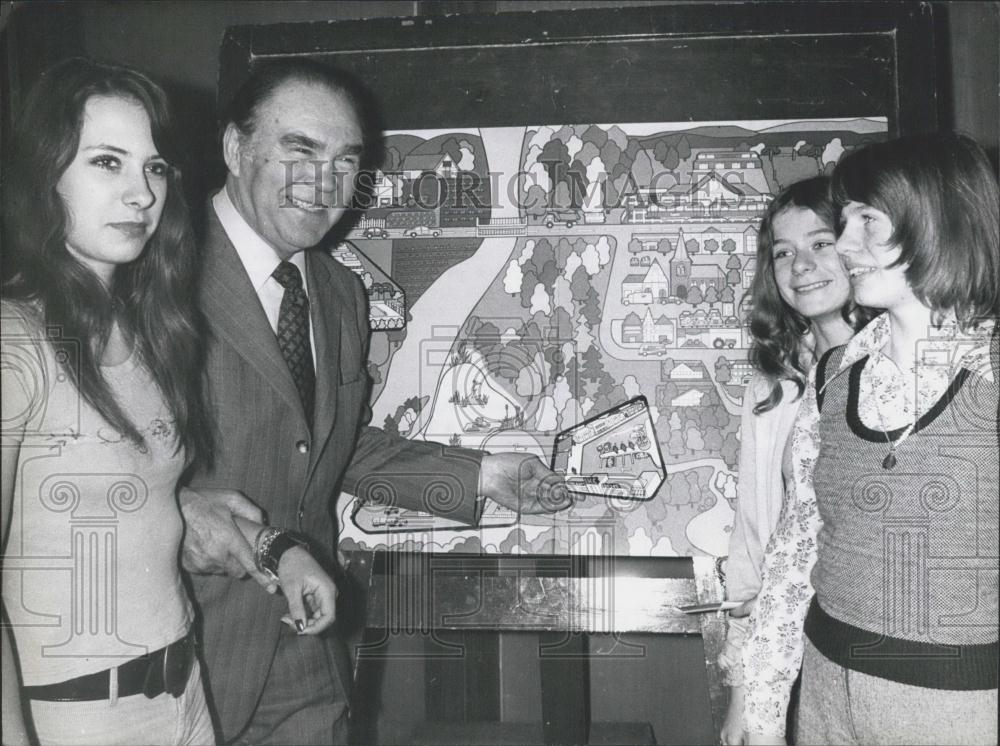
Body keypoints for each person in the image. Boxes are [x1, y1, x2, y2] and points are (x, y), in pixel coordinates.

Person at [178, 58, 572, 745]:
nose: (323, 183)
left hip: (308, 649)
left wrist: (485, 475)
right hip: (184, 652)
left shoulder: (337, 290)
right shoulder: (155, 270)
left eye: (344, 162)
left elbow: (331, 443)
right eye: (299, 150)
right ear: (235, 148)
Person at [742, 132, 998, 745]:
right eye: (845, 220)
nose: (847, 245)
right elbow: (798, 547)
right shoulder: (836, 377)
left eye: (866, 221)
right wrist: (763, 707)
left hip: (958, 707)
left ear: (938, 220)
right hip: (827, 692)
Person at [0, 58, 216, 746]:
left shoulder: (149, 326)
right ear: (44, 173)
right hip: (76, 717)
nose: (141, 194)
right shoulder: (15, 342)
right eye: (106, 163)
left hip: (184, 696)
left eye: (153, 168)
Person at [717, 176, 866, 745]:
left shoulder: (902, 371)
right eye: (783, 252)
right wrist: (743, 696)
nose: (800, 265)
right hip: (786, 661)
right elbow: (756, 546)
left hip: (874, 655)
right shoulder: (773, 389)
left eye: (821, 243)